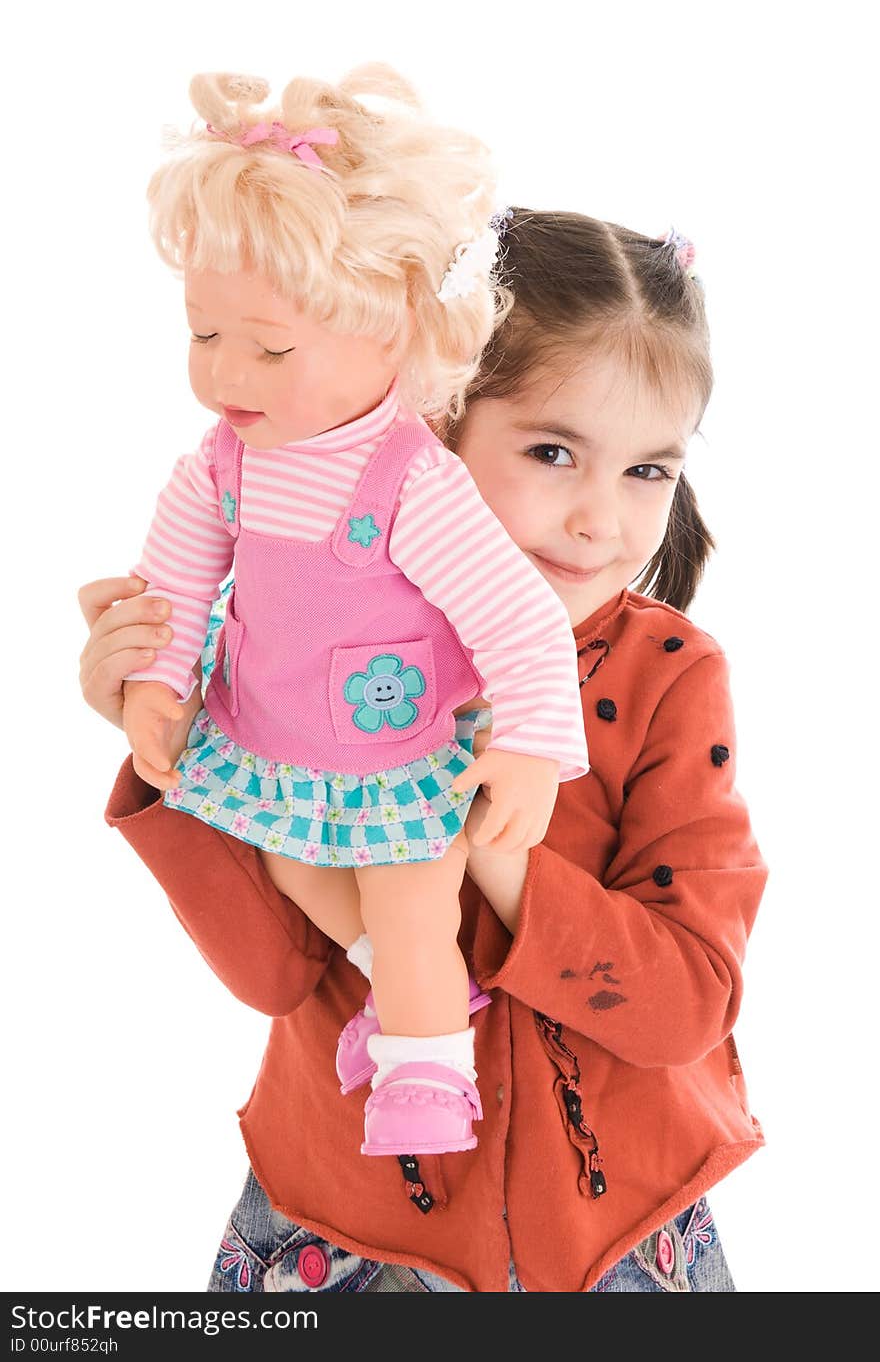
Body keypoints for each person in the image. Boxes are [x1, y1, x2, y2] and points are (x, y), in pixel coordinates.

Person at [79, 208, 768, 1293]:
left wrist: (489, 841)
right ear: (428, 429)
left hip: (617, 1238)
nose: (600, 519)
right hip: (345, 1227)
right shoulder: (291, 658)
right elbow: (271, 971)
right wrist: (160, 731)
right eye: (551, 451)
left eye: (648, 470)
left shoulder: (668, 674)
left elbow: (684, 1001)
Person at [120, 64, 588, 1161]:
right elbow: (178, 574)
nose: (226, 373)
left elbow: (514, 617)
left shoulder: (409, 482)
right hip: (273, 733)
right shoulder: (226, 460)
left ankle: (425, 1079)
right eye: (204, 334)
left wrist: (527, 747)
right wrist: (156, 677)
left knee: (413, 899)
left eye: (270, 347)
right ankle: (404, 993)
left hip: (396, 750)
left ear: (396, 330)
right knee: (292, 863)